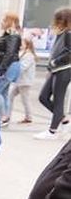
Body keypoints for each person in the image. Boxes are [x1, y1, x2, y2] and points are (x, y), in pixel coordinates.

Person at [36, 8, 71, 140]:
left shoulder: (69, 33)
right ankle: (63, 120)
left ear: (64, 20)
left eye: (58, 19)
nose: (56, 22)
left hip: (64, 69)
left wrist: (55, 62)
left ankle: (52, 131)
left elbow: (69, 53)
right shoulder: (62, 33)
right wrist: (51, 66)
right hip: (56, 69)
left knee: (58, 101)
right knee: (43, 97)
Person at [0, 13, 22, 127]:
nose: (2, 22)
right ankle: (6, 117)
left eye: (4, 20)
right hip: (8, 66)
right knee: (3, 93)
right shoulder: (10, 34)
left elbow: (10, 53)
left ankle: (4, 117)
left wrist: (2, 69)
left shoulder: (13, 35)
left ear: (10, 21)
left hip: (8, 66)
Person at [10, 35, 38, 124]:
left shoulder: (29, 55)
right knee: (10, 96)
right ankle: (7, 115)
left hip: (24, 82)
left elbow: (22, 67)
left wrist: (13, 69)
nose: (20, 45)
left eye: (22, 43)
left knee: (25, 99)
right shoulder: (23, 53)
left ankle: (28, 117)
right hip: (20, 81)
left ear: (27, 44)